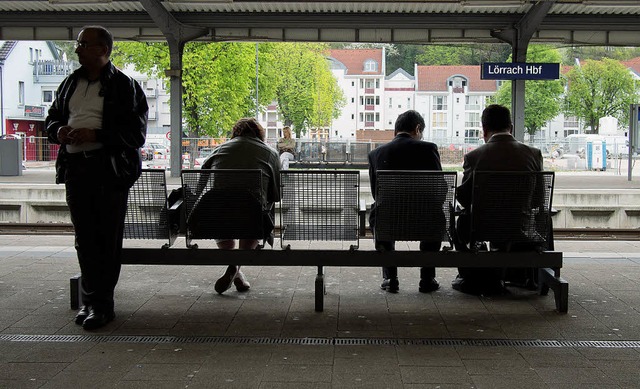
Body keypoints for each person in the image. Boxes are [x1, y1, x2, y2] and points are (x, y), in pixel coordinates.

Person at [46, 26, 148, 330]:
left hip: (109, 169)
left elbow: (136, 135)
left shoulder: (126, 86)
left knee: (106, 239)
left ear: (102, 49)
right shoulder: (69, 84)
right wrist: (59, 131)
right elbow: (51, 119)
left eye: (83, 44)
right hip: (75, 167)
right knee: (85, 239)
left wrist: (97, 134)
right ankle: (92, 301)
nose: (76, 49)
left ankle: (102, 305)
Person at [453, 104, 543, 295]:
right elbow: (538, 199)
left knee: (461, 222)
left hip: (483, 228)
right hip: (521, 228)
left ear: (484, 130)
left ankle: (470, 277)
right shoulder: (534, 154)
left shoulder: (474, 156)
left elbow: (464, 198)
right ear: (510, 127)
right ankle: (522, 276)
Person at [201, 118, 281, 294]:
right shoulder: (271, 153)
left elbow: (200, 185)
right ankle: (236, 268)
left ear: (235, 133)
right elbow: (276, 195)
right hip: (251, 219)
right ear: (260, 134)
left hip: (217, 217)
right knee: (254, 209)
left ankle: (234, 269)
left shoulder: (219, 149)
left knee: (220, 208)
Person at [368, 110, 442, 294]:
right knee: (434, 214)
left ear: (396, 130)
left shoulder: (376, 154)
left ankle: (390, 278)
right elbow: (440, 190)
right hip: (425, 221)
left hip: (389, 221)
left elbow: (376, 193)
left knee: (381, 212)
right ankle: (427, 278)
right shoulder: (428, 149)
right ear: (417, 129)